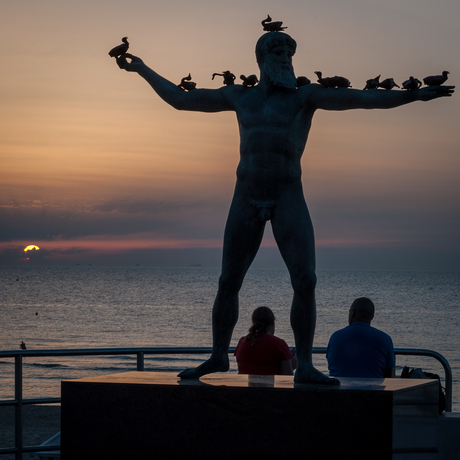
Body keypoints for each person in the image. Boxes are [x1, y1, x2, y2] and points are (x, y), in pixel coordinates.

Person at [115, 29, 453, 384]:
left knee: (305, 280)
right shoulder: (240, 97)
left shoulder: (304, 97)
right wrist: (141, 68)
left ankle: (304, 363)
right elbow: (180, 100)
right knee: (228, 280)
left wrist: (414, 96)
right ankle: (217, 356)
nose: (286, 62)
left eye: (290, 57)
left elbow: (362, 98)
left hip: (288, 194)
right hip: (245, 194)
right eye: (279, 55)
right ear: (262, 60)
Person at [326, 297, 395, 378]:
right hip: (373, 390)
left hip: (340, 389)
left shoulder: (335, 337)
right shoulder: (385, 339)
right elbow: (389, 377)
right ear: (372, 316)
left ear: (353, 312)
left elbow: (331, 365)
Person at [234, 306, 295, 375]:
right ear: (272, 323)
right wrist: (294, 363)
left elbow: (256, 368)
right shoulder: (279, 344)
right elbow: (286, 377)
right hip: (268, 385)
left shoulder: (242, 341)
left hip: (245, 385)